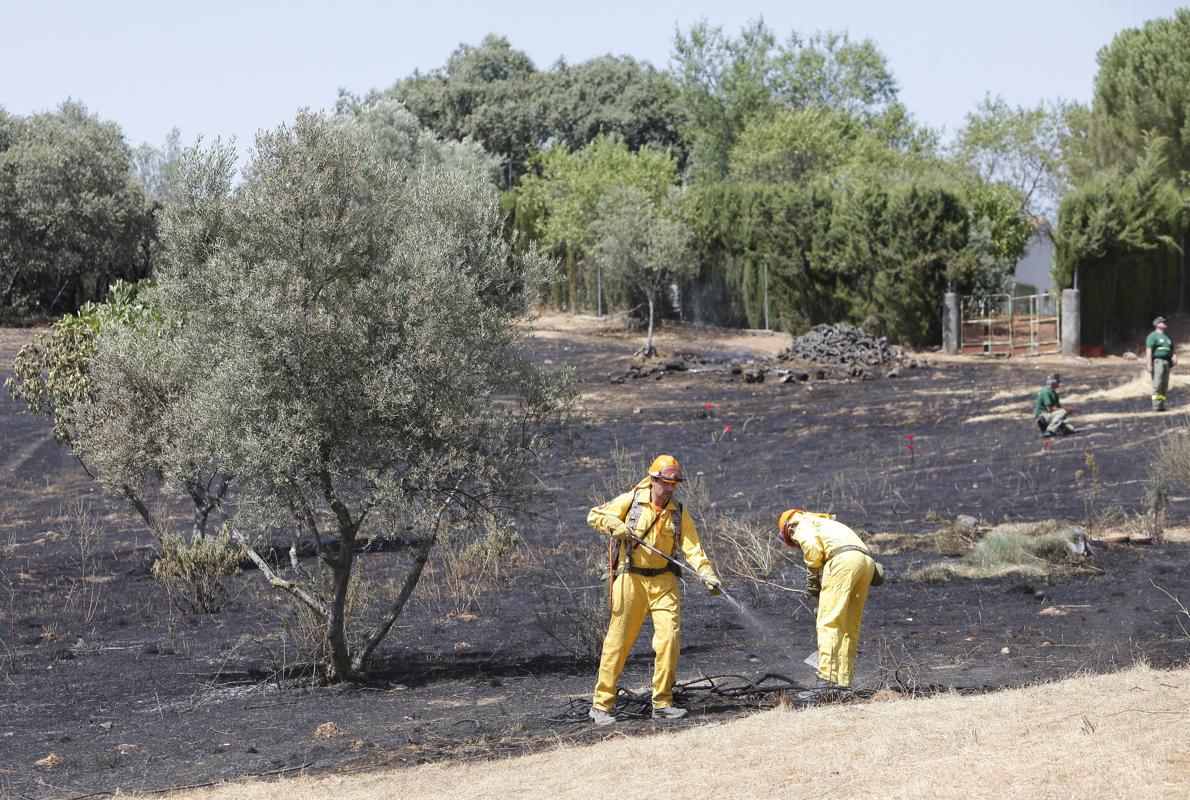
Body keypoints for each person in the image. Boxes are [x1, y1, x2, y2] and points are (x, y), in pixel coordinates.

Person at [586, 454, 722, 725]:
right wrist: (614, 524)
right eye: (666, 482)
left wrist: (707, 574)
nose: (671, 488)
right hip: (631, 579)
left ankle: (662, 703)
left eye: (675, 483)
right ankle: (601, 706)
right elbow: (595, 515)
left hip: (664, 581)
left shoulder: (678, 512)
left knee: (669, 640)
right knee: (618, 641)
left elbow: (693, 549)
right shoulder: (631, 500)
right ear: (654, 479)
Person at [777, 509, 876, 703]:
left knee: (828, 623)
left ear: (787, 527)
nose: (795, 542)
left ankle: (826, 682)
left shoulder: (800, 522)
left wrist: (812, 577)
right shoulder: (828, 523)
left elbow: (812, 547)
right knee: (849, 626)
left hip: (843, 561)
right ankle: (843, 683)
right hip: (867, 563)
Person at [1146, 316, 1176, 412]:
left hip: (1167, 362)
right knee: (1157, 383)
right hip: (1158, 362)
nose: (1164, 323)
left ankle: (1161, 406)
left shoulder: (1168, 337)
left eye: (1165, 322)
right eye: (1162, 322)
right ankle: (1156, 406)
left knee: (1164, 384)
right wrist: (1149, 364)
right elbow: (1149, 351)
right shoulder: (1152, 336)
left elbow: (1172, 349)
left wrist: (1174, 356)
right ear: (1156, 324)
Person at [1034, 373, 1075, 437]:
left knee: (1071, 429)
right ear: (1053, 382)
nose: (1059, 383)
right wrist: (1065, 410)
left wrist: (1067, 410)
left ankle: (1054, 429)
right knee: (1063, 411)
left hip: (1050, 416)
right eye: (1058, 381)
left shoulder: (1053, 392)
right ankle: (1049, 430)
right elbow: (1050, 409)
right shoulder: (1046, 392)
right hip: (1043, 415)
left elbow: (1058, 407)